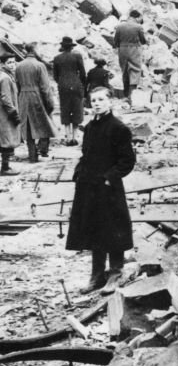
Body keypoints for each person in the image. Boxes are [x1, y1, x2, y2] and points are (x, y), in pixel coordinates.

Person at [66, 86, 135, 293]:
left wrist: (108, 178)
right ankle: (96, 276)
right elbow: (86, 154)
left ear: (110, 102)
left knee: (113, 230)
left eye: (101, 100)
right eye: (93, 100)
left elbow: (127, 161)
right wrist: (79, 172)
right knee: (94, 229)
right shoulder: (90, 127)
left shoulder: (118, 128)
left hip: (108, 189)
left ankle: (114, 274)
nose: (96, 103)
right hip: (88, 187)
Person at [15, 43, 56, 162]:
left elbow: (17, 85)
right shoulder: (40, 65)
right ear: (35, 50)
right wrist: (50, 103)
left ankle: (32, 155)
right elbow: (45, 87)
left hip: (23, 97)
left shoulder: (19, 66)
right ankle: (42, 149)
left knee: (27, 126)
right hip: (37, 97)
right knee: (46, 124)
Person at [52, 36, 87, 146]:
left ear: (62, 46)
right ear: (71, 47)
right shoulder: (77, 56)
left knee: (65, 109)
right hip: (76, 84)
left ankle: (67, 136)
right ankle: (75, 137)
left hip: (63, 85)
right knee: (77, 109)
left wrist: (61, 82)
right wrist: (82, 84)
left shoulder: (57, 58)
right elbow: (82, 73)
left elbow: (55, 76)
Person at [113, 9, 146, 106]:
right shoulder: (138, 27)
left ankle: (125, 94)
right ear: (137, 17)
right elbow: (143, 41)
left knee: (124, 71)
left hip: (122, 50)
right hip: (134, 49)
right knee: (135, 70)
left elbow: (115, 41)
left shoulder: (120, 26)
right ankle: (132, 96)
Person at [0, 54, 20, 176]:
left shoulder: (6, 75)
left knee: (3, 140)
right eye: (9, 63)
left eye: (13, 62)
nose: (12, 65)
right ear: (3, 64)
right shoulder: (5, 78)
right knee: (7, 141)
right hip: (5, 115)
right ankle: (5, 168)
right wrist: (13, 113)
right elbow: (6, 98)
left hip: (3, 114)